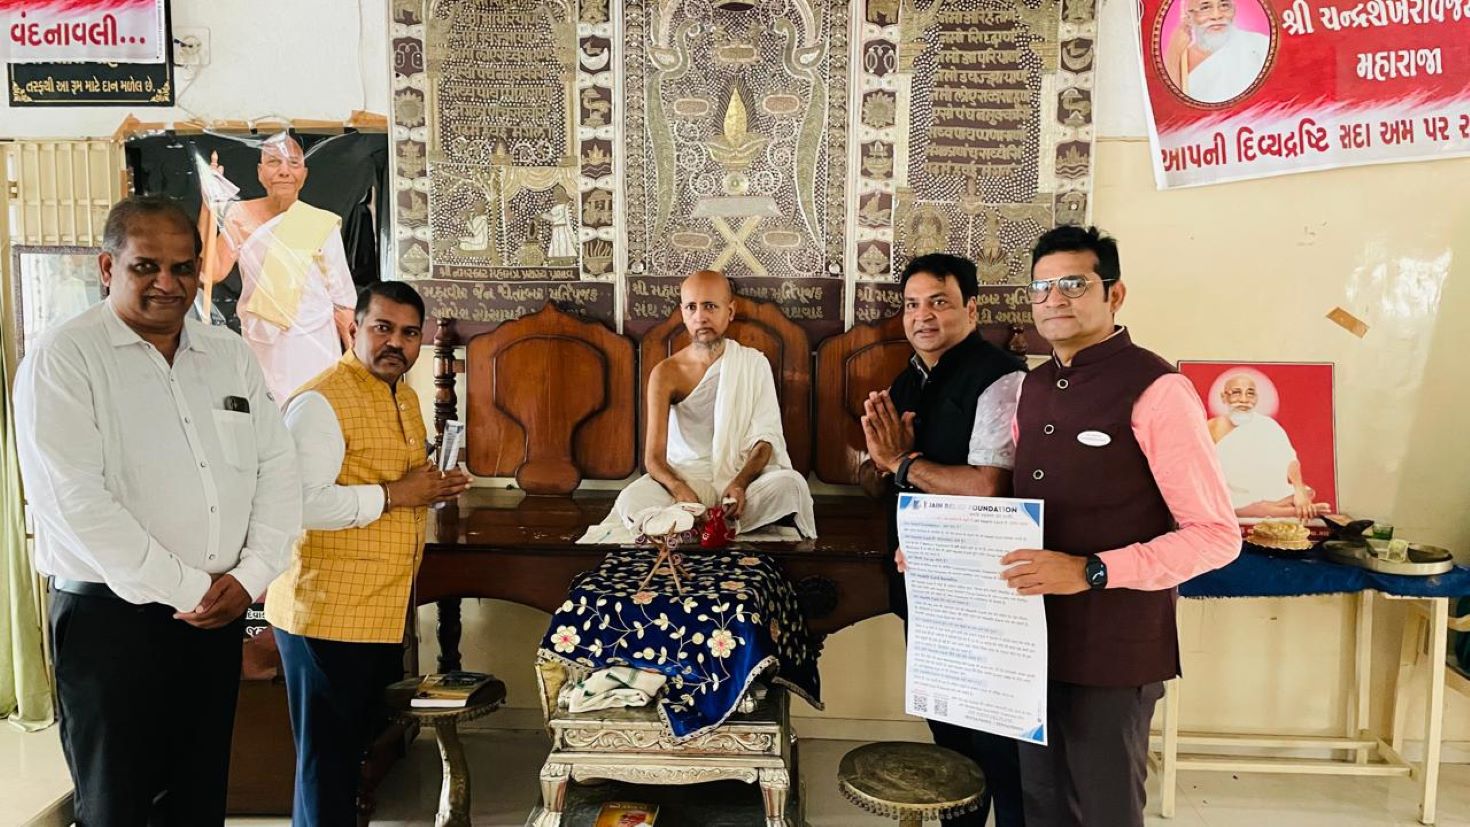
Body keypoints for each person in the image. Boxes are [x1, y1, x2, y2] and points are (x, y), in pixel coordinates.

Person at [14, 195, 302, 825]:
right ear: (107, 267)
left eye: (182, 267)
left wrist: (251, 577)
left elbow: (278, 471)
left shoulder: (227, 354)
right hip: (111, 623)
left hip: (217, 615)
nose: (167, 283)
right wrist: (193, 590)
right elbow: (76, 502)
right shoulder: (65, 359)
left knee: (199, 799)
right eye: (146, 266)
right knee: (117, 804)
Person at [999, 226, 1239, 827]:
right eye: (1041, 287)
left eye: (1074, 283)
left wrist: (1092, 571)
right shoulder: (1032, 387)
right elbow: (1021, 510)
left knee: (1103, 807)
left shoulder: (1158, 389)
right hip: (1032, 638)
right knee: (1041, 802)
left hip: (1114, 646)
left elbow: (1215, 534)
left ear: (1115, 294)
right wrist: (942, 552)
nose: (1054, 299)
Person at [265, 281, 471, 825]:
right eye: (382, 328)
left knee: (348, 757)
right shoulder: (321, 401)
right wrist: (396, 494)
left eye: (409, 333)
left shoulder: (402, 396)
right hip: (324, 610)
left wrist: (433, 487)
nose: (395, 343)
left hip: (373, 609)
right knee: (327, 765)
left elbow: (396, 480)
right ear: (354, 328)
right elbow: (302, 503)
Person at [867, 253, 1028, 827]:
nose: (923, 316)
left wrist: (901, 463)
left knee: (996, 733)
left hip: (983, 584)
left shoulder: (1000, 376)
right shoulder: (909, 378)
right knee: (948, 724)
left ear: (972, 309)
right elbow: (889, 470)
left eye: (939, 302)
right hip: (926, 575)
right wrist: (882, 463)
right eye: (912, 305)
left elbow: (990, 485)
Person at [612, 270, 815, 537]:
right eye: (691, 307)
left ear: (730, 311)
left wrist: (740, 483)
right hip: (685, 479)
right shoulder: (665, 373)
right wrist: (678, 488)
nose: (700, 317)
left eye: (710, 306)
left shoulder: (753, 363)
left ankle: (691, 526)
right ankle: (711, 524)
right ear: (682, 312)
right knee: (630, 500)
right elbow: (653, 458)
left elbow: (765, 441)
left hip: (737, 481)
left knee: (791, 486)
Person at [201, 132, 359, 404]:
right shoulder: (240, 216)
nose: (284, 171)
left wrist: (354, 362)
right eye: (274, 162)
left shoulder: (320, 223)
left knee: (315, 413)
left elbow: (343, 303)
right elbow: (210, 272)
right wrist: (208, 204)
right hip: (262, 342)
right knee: (267, 413)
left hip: (315, 343)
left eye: (293, 163)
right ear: (260, 173)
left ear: (304, 174)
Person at [1207, 370, 1329, 519]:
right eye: (1236, 393)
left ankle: (1270, 507)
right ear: (1224, 397)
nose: (1244, 400)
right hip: (1231, 491)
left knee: (1307, 491)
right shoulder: (1211, 427)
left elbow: (1290, 459)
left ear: (1256, 399)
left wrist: (1299, 490)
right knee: (1224, 503)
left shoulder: (1268, 425)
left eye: (1250, 394)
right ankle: (1293, 511)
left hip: (1265, 489)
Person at [1163, 0, 1269, 103]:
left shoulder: (1260, 45)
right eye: (1205, 7)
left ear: (1234, 10)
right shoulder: (1180, 57)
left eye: (1224, 5)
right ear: (1188, 17)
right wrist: (1174, 53)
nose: (1216, 16)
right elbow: (1170, 105)